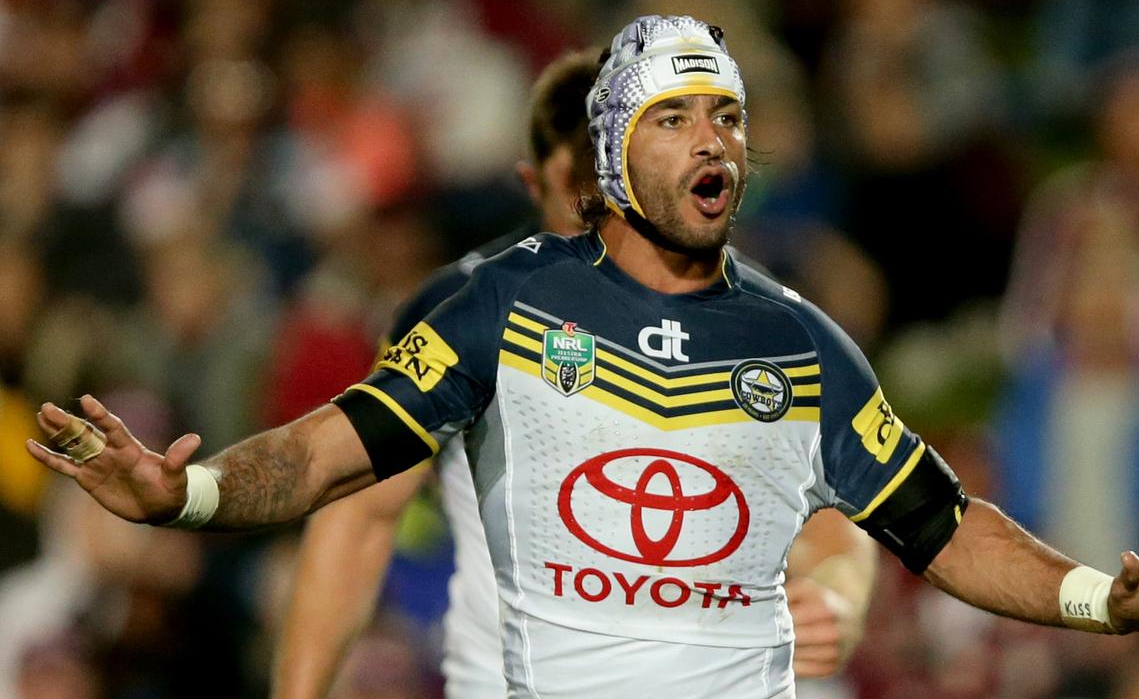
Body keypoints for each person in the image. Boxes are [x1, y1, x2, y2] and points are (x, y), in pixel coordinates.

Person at [27, 15, 1139, 699]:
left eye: (725, 114)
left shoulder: (800, 346)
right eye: (674, 117)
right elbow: (320, 463)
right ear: (617, 153)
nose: (709, 137)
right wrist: (182, 493)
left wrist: (1100, 600)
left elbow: (944, 530)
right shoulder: (496, 307)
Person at [272, 48, 876, 699]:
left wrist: (841, 600)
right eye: (581, 177)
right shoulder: (467, 313)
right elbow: (358, 517)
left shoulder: (747, 319)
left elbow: (835, 512)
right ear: (544, 182)